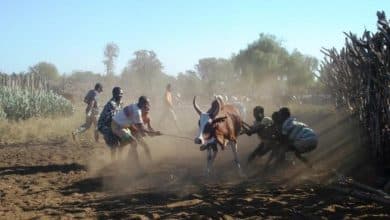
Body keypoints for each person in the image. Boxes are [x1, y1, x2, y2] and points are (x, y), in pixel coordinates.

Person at [111, 96, 161, 167]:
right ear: (143, 104)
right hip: (118, 126)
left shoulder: (135, 106)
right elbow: (141, 128)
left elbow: (140, 128)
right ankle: (135, 165)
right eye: (147, 104)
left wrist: (152, 133)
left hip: (126, 126)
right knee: (133, 142)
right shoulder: (137, 112)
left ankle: (136, 162)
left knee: (138, 143)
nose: (148, 107)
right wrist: (154, 133)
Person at [97, 87, 124, 161]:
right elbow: (111, 119)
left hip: (113, 124)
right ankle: (114, 162)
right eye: (120, 94)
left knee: (123, 140)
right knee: (114, 143)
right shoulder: (111, 104)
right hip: (104, 125)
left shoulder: (120, 103)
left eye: (122, 94)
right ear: (115, 94)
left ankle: (119, 159)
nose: (121, 95)